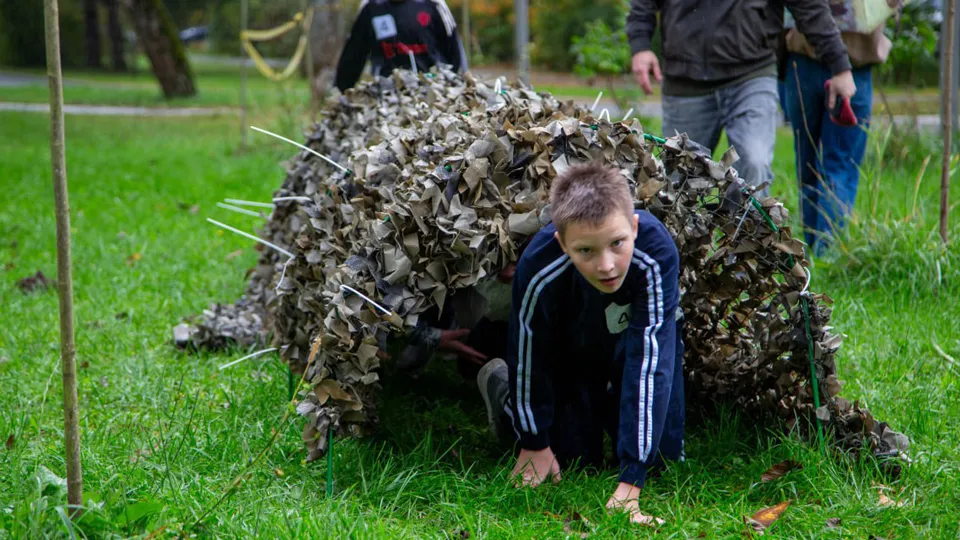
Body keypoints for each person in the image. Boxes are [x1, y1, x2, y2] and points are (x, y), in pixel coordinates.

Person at [476, 162, 685, 526]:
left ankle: (610, 413)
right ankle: (500, 391)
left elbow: (651, 358)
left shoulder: (656, 253)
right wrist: (534, 441)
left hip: (627, 351)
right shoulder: (540, 264)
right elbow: (529, 351)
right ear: (562, 243)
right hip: (569, 354)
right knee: (571, 458)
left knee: (662, 461)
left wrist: (631, 479)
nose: (606, 265)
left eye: (617, 244)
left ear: (634, 227)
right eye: (586, 250)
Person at [626, 0, 859, 198]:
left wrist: (840, 66)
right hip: (685, 78)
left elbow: (809, 6)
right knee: (678, 182)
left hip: (752, 73)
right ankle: (680, 251)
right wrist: (640, 45)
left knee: (754, 163)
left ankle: (746, 248)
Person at [781, 2, 895, 254]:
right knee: (828, 163)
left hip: (825, 61)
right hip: (828, 61)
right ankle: (822, 251)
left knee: (819, 161)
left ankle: (818, 250)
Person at [333, 0, 468, 92]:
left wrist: (461, 86)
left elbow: (454, 49)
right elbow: (353, 55)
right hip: (386, 96)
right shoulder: (371, 7)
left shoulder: (432, 4)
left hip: (433, 91)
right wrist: (341, 90)